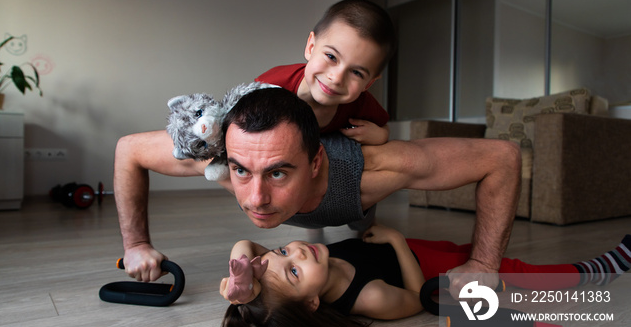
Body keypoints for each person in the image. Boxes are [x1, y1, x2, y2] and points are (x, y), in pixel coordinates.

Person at [115, 87, 521, 299]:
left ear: (314, 163)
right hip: (317, 206)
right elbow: (128, 150)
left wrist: (484, 262)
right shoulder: (219, 157)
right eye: (242, 171)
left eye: (277, 173)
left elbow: (502, 157)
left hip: (353, 197)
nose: (255, 199)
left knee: (362, 225)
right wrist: (136, 244)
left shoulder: (378, 168)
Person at [220, 228, 631, 327]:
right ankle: (595, 272)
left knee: (475, 251)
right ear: (312, 302)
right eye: (293, 270)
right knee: (515, 273)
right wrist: (398, 241)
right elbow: (421, 298)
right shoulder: (370, 298)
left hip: (422, 248)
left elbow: (246, 247)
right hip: (428, 270)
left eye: (280, 250)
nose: (295, 250)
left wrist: (243, 277)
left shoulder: (311, 262)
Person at [255, 0, 393, 146]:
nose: (337, 78)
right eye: (331, 57)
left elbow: (383, 126)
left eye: (357, 73)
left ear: (369, 83)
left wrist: (381, 135)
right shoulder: (271, 86)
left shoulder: (361, 103)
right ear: (311, 47)